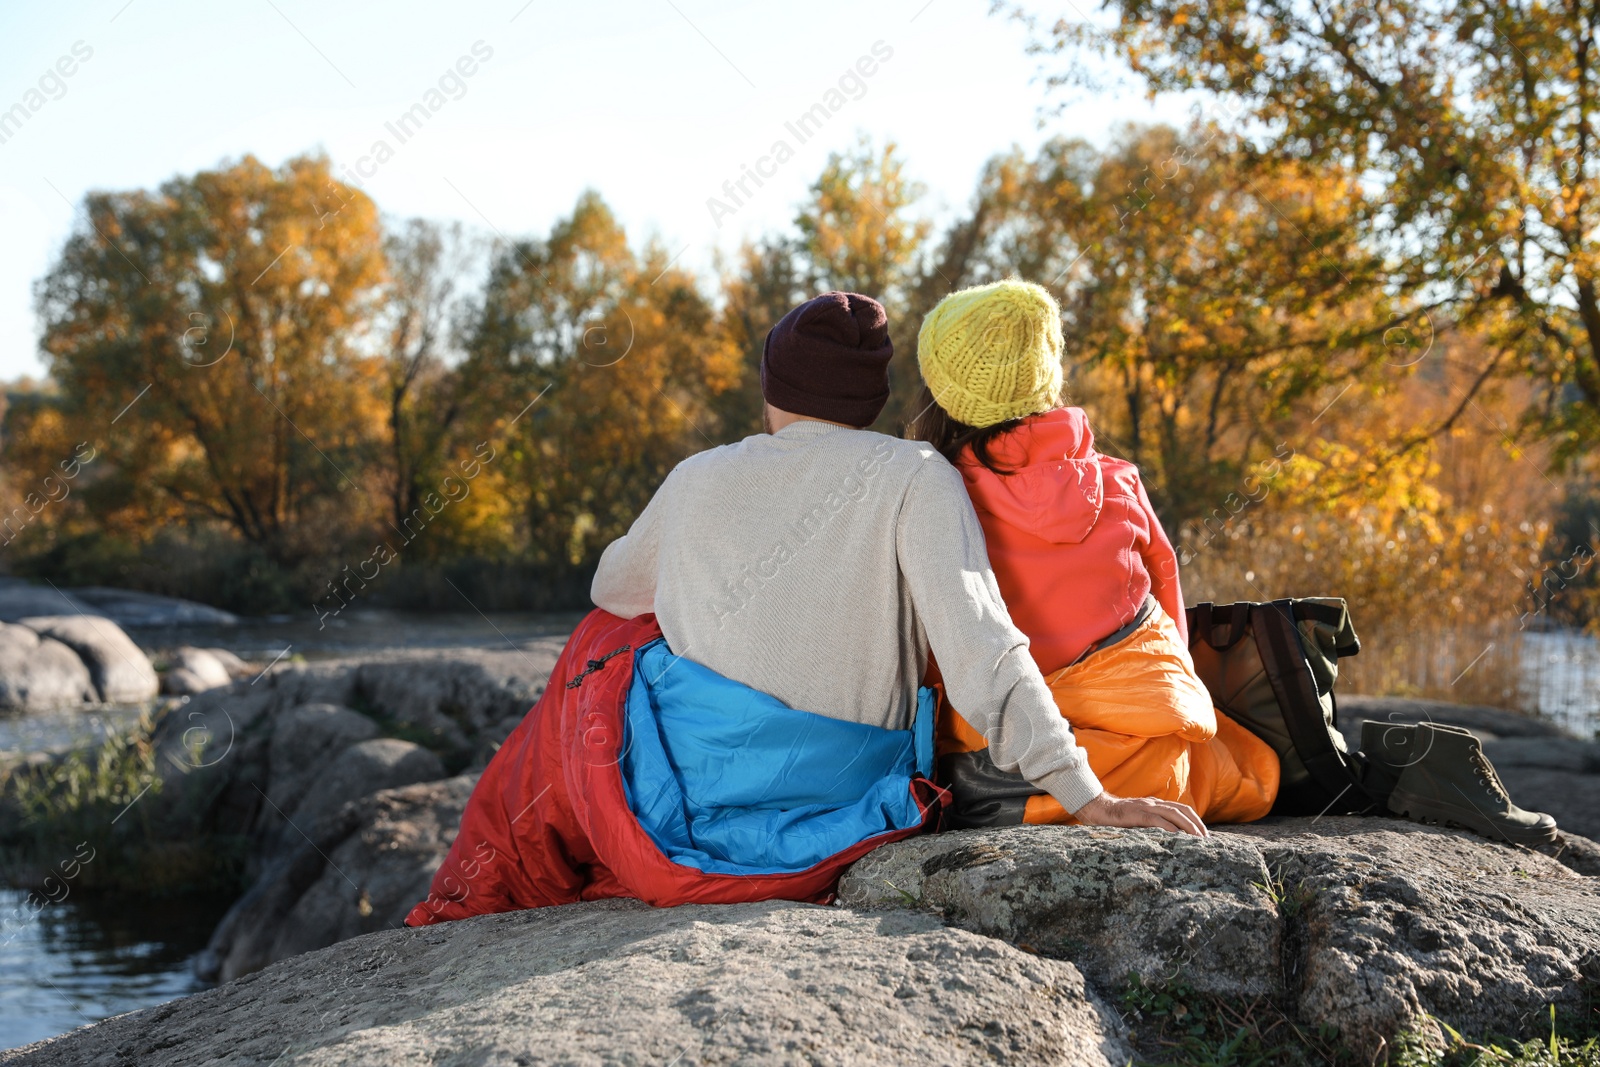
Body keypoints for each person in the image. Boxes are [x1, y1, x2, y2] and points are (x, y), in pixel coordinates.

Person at [408, 291, 1203, 928]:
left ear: (772, 386)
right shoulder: (917, 473)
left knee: (601, 644)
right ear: (870, 398)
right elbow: (983, 648)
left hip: (689, 795)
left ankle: (470, 893)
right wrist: (1084, 793)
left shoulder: (699, 476)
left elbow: (612, 588)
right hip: (852, 797)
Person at [906, 278, 1557, 846]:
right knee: (1249, 769)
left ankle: (1005, 784)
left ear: (943, 390)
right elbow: (1169, 615)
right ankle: (1397, 765)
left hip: (995, 739)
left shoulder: (933, 496)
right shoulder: (1117, 483)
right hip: (1141, 757)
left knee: (972, 719)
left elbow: (934, 639)